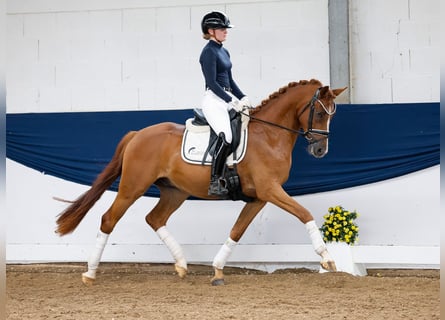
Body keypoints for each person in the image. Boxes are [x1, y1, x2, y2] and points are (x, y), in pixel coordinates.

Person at [199, 11, 252, 196]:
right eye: (222, 29)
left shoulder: (224, 50)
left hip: (227, 98)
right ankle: (215, 180)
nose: (226, 31)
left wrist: (242, 97)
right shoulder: (208, 52)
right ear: (211, 30)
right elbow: (213, 83)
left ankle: (233, 169)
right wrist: (230, 100)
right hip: (214, 100)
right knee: (227, 136)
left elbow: (230, 80)